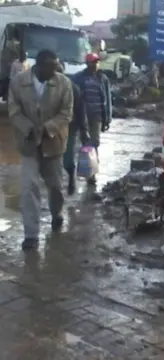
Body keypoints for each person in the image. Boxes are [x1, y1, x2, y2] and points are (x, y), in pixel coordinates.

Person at [8, 50, 73, 250]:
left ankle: (56, 213)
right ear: (39, 65)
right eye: (51, 67)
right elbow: (13, 110)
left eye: (56, 67)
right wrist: (29, 128)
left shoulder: (63, 83)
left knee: (55, 186)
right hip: (29, 144)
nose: (55, 71)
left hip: (53, 144)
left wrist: (46, 128)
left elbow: (66, 113)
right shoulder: (19, 82)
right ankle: (31, 235)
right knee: (29, 188)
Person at [72, 53, 112, 186]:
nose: (95, 65)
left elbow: (107, 99)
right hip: (82, 116)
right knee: (85, 143)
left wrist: (108, 119)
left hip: (97, 116)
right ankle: (86, 172)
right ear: (87, 63)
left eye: (96, 62)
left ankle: (92, 173)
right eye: (92, 62)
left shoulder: (103, 78)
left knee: (94, 143)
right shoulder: (78, 78)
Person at [60, 64, 90, 195]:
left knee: (67, 155)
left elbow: (81, 110)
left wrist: (84, 129)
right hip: (49, 127)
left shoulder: (72, 88)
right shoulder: (46, 87)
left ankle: (71, 177)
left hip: (69, 126)